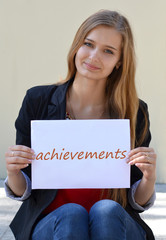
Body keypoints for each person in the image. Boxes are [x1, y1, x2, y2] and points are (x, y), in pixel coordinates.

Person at [5, 10, 157, 240]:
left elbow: (138, 202)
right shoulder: (37, 101)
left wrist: (149, 179)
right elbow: (22, 190)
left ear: (119, 62)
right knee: (71, 214)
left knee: (105, 211)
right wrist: (14, 171)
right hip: (52, 224)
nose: (94, 56)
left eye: (108, 51)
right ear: (77, 46)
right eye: (89, 44)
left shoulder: (135, 112)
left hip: (114, 225)